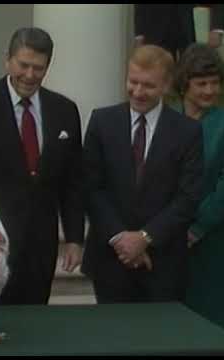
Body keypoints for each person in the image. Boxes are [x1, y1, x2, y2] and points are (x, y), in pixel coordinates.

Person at [0, 28, 84, 305]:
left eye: (39, 68)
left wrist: (74, 238)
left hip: (40, 247)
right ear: (7, 60)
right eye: (24, 65)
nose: (30, 75)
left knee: (34, 328)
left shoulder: (64, 110)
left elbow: (72, 182)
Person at [82, 45, 203, 304]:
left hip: (164, 262)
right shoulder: (102, 122)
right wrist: (121, 240)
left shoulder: (188, 132)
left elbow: (188, 197)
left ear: (167, 85)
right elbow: (91, 187)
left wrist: (145, 238)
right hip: (109, 259)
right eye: (132, 82)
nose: (137, 92)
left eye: (148, 85)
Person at [174, 43, 224, 338]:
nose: (209, 90)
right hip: (171, 236)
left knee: (217, 323)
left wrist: (197, 227)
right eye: (202, 83)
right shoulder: (168, 117)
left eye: (215, 83)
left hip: (214, 238)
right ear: (185, 84)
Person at [134, 4, 224, 60]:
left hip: (190, 27)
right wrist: (140, 35)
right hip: (156, 30)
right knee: (157, 75)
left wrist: (217, 28)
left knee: (192, 72)